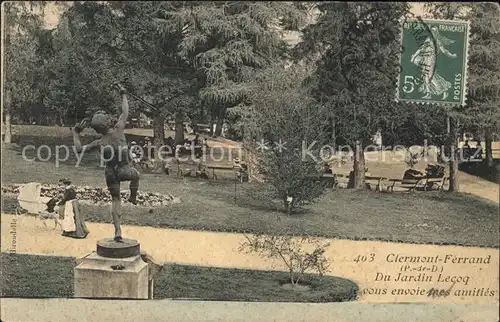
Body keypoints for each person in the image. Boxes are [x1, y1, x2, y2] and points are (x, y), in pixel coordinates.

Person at [71, 83, 139, 242]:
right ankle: (133, 197)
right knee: (136, 176)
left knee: (116, 200)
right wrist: (123, 94)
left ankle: (118, 231)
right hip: (124, 169)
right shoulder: (118, 130)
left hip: (110, 173)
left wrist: (75, 133)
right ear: (108, 123)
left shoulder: (99, 142)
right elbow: (125, 112)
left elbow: (79, 149)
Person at [411, 26, 457, 99]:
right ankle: (429, 93)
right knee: (426, 76)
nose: (432, 33)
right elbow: (421, 49)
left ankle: (443, 91)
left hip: (432, 59)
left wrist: (451, 55)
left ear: (436, 33)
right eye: (431, 31)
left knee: (431, 77)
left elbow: (444, 51)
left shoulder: (438, 41)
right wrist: (414, 57)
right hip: (425, 59)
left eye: (434, 32)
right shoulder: (428, 40)